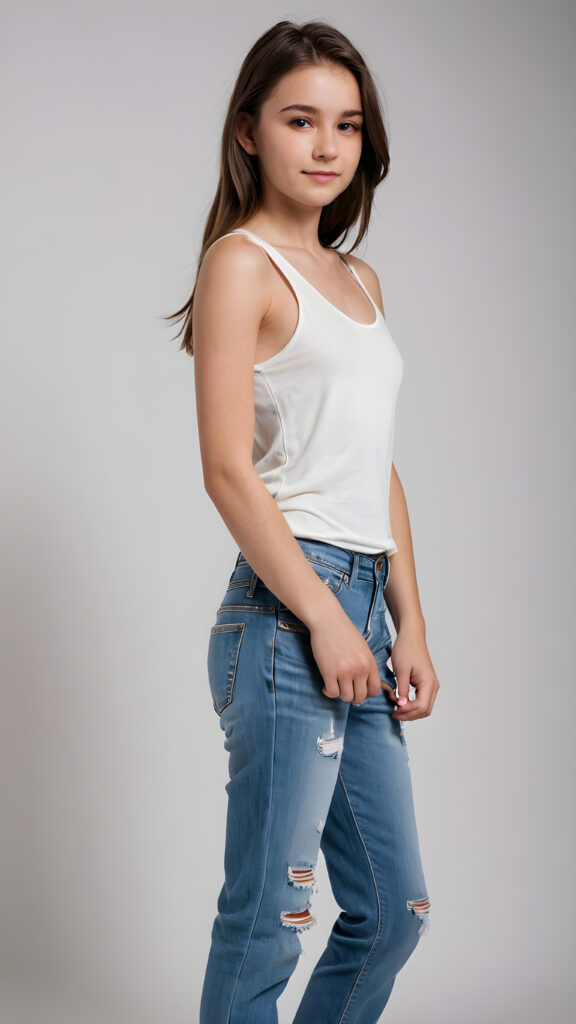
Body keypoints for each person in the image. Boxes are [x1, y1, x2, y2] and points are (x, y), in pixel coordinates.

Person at [165, 18, 440, 1023]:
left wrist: (408, 620)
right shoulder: (239, 264)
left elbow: (378, 468)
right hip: (285, 616)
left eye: (347, 125)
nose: (326, 146)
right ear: (249, 132)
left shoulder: (358, 279)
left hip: (363, 598)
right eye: (299, 120)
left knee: (392, 911)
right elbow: (228, 471)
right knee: (268, 916)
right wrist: (326, 615)